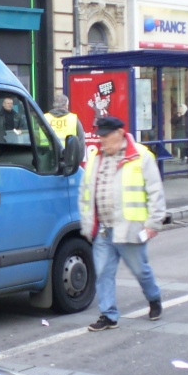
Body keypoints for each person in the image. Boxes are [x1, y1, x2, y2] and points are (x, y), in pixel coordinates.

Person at [79, 115, 165, 332]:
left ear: (119, 133)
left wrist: (153, 223)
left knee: (140, 271)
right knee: (103, 273)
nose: (102, 140)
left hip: (130, 229)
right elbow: (85, 193)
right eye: (100, 136)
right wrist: (88, 224)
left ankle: (154, 298)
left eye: (106, 136)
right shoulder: (96, 158)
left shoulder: (140, 156)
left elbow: (155, 191)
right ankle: (108, 315)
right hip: (104, 230)